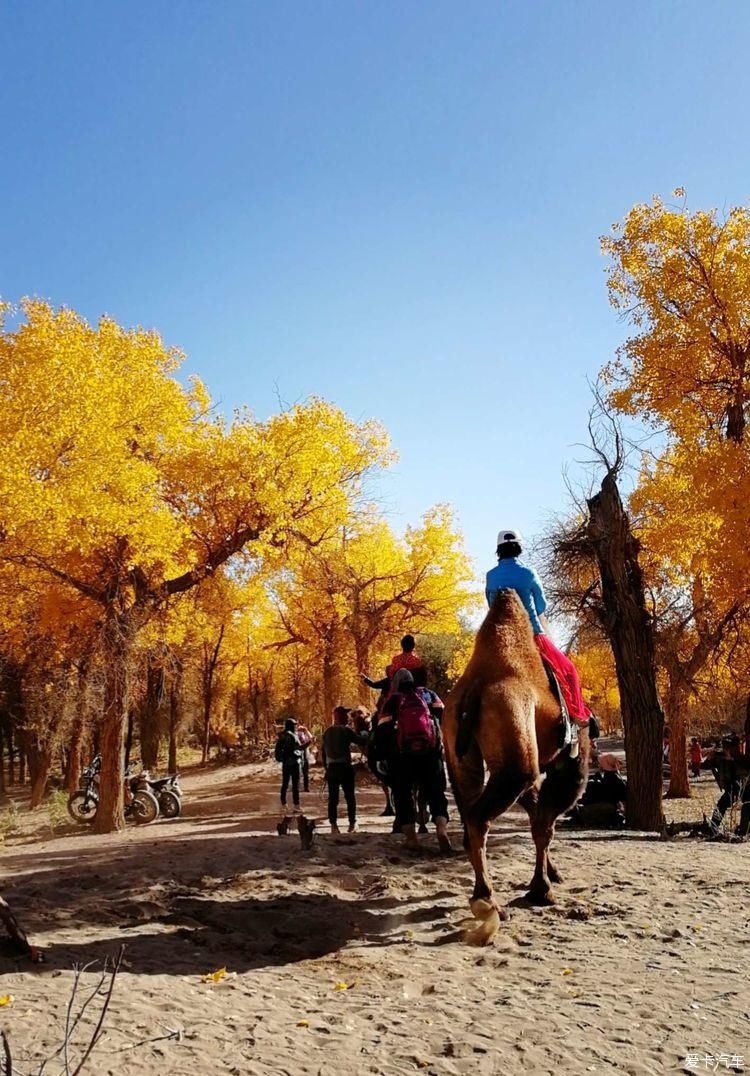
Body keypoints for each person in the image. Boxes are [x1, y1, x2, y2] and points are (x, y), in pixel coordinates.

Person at [485, 529, 591, 727]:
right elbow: (541, 606)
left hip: (501, 640)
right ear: (518, 548)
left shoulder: (491, 576)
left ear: (498, 550)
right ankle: (578, 716)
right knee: (568, 671)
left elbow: (492, 606)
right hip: (533, 636)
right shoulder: (528, 574)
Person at [381, 669, 451, 853]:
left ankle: (411, 838)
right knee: (436, 793)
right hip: (430, 753)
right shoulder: (428, 694)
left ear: (396, 683)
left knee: (403, 795)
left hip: (402, 757)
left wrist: (382, 757)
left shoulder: (393, 700)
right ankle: (441, 830)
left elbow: (382, 730)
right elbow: (443, 715)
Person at [322, 706, 368, 834]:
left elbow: (323, 753)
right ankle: (352, 824)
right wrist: (365, 733)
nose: (348, 718)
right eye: (345, 715)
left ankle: (334, 826)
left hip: (332, 769)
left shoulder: (327, 732)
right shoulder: (346, 731)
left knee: (333, 799)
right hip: (345, 767)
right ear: (341, 716)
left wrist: (326, 769)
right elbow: (361, 741)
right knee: (350, 797)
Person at [274, 718, 304, 812]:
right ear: (291, 725)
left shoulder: (281, 735)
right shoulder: (293, 736)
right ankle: (296, 805)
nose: (295, 726)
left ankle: (284, 804)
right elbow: (298, 747)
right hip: (294, 763)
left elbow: (278, 749)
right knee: (295, 785)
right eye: (294, 725)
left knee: (285, 784)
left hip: (285, 763)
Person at [296, 722, 313, 792]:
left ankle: (306, 787)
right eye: (300, 731)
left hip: (305, 756)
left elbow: (311, 738)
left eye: (302, 731)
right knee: (299, 773)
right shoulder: (297, 737)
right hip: (299, 756)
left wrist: (306, 731)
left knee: (305, 773)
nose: (301, 732)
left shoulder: (305, 737)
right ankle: (298, 787)